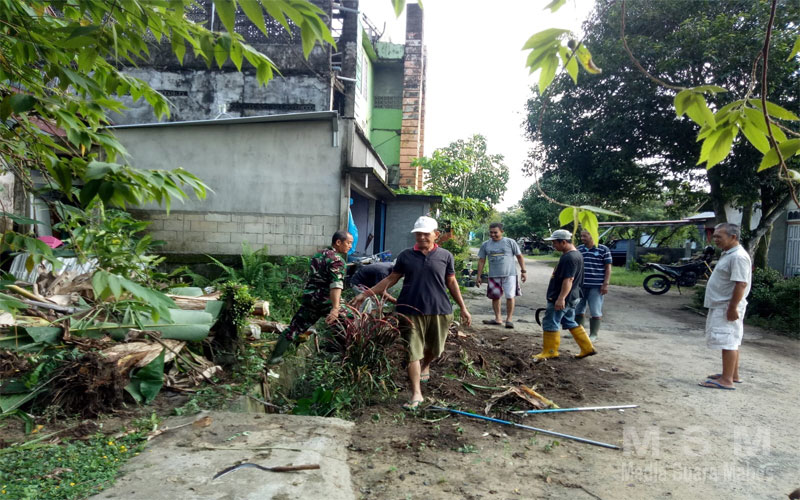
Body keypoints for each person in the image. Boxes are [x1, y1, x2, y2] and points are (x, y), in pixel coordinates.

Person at [353, 216, 472, 410]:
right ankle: (417, 393)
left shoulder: (445, 256)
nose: (422, 237)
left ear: (436, 235)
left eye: (426, 234)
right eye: (418, 234)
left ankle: (426, 365)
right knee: (412, 352)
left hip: (439, 309)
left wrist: (464, 308)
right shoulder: (406, 256)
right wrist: (365, 294)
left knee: (436, 349)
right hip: (409, 309)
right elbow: (391, 279)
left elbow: (451, 282)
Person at [268, 231, 353, 364]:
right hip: (326, 300)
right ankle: (348, 358)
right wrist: (335, 308)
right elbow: (336, 285)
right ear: (338, 242)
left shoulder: (318, 255)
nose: (350, 246)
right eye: (348, 243)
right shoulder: (337, 260)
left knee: (295, 327)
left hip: (311, 298)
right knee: (351, 321)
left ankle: (274, 358)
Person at [699, 223, 751, 390]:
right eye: (714, 236)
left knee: (728, 340)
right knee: (731, 340)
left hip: (727, 305)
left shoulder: (738, 257)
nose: (715, 240)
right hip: (723, 304)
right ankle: (732, 375)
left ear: (733, 237)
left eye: (719, 237)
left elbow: (741, 284)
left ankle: (726, 380)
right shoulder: (729, 254)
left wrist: (732, 307)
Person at [533, 229, 596, 361]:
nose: (553, 245)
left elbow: (568, 279)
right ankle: (587, 348)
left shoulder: (570, 257)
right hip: (573, 296)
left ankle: (550, 351)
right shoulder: (576, 254)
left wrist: (561, 298)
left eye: (554, 242)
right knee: (568, 320)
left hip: (564, 297)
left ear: (563, 242)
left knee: (550, 321)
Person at [476, 222, 527, 328]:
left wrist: (523, 271)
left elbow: (519, 256)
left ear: (502, 232)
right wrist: (478, 276)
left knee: (510, 296)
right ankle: (498, 318)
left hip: (510, 275)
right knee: (495, 297)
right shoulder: (486, 244)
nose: (493, 235)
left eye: (495, 232)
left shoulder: (510, 242)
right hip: (494, 275)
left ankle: (509, 319)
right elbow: (481, 260)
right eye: (491, 233)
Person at [576, 229, 612, 341]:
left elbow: (608, 268)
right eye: (581, 236)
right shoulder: (579, 249)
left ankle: (593, 334)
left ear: (592, 236)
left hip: (596, 286)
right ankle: (579, 332)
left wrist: (605, 284)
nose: (582, 238)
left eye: (584, 236)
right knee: (578, 309)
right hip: (580, 285)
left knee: (595, 310)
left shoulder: (603, 249)